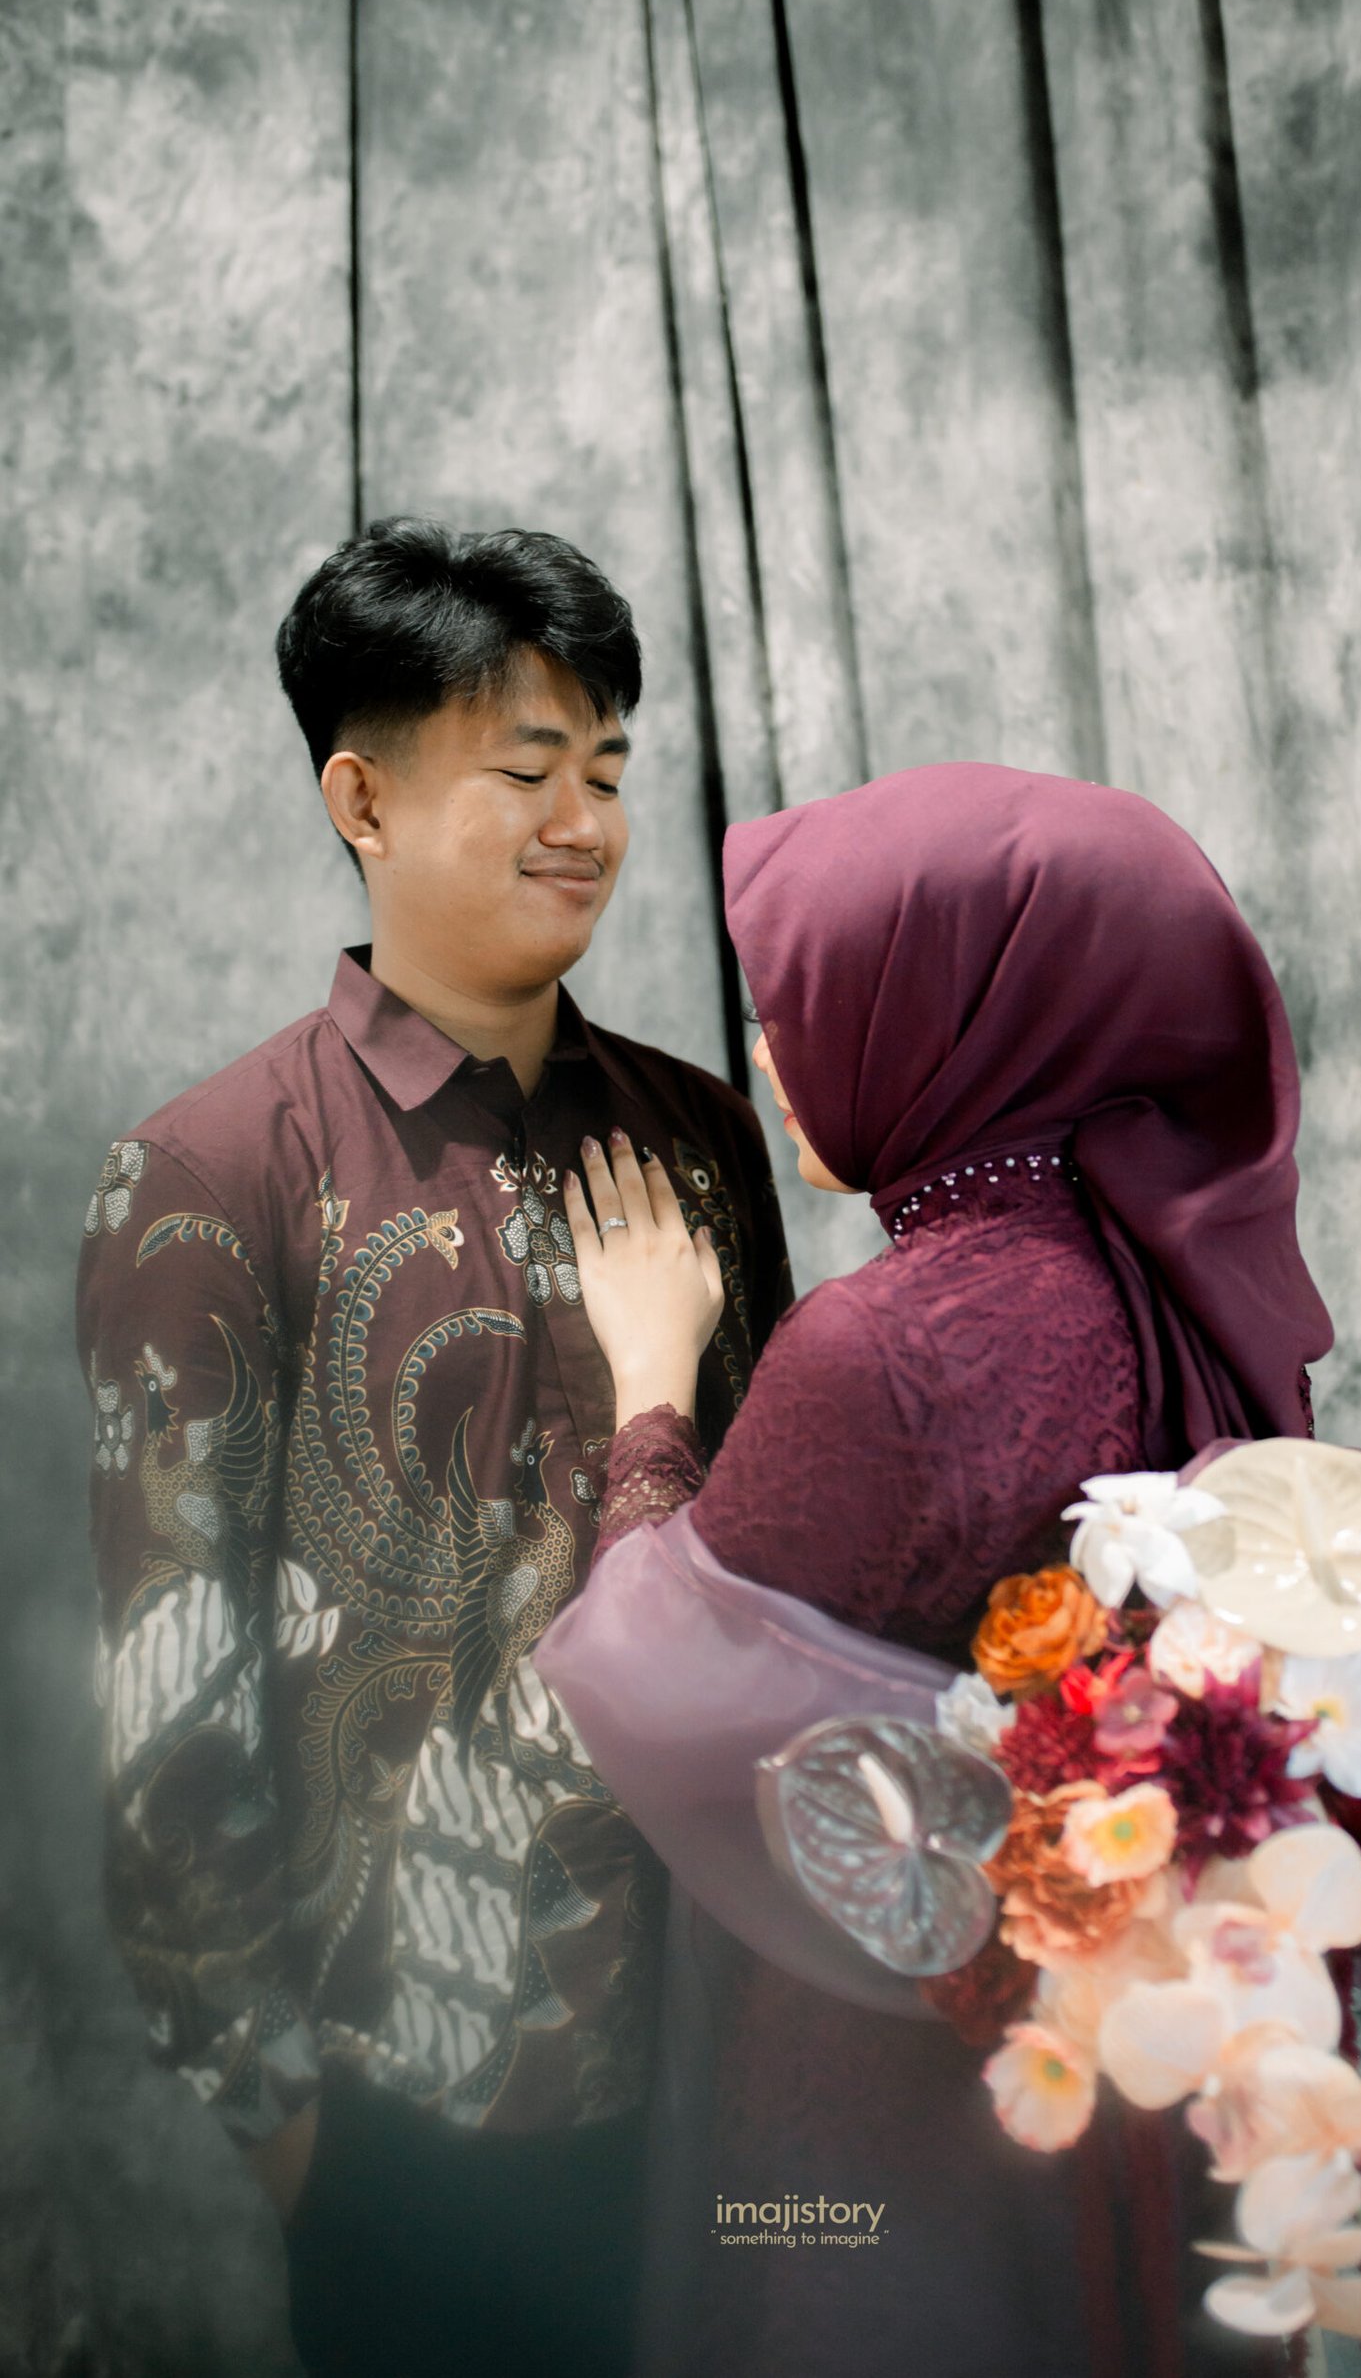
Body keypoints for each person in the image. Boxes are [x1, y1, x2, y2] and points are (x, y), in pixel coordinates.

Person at [75, 516, 792, 2378]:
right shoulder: (213, 1169)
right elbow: (172, 1691)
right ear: (363, 800)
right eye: (527, 770)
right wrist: (282, 2117)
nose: (584, 822)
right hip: (411, 2100)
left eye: (608, 773)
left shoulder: (702, 1137)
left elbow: (773, 1564)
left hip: (728, 2045)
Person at [537, 760, 1335, 2378]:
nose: (769, 1056)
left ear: (952, 1025)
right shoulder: (1166, 1285)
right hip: (1129, 2062)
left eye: (808, 1005)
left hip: (886, 2090)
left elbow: (657, 1674)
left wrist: (648, 1385)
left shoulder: (884, 1346)